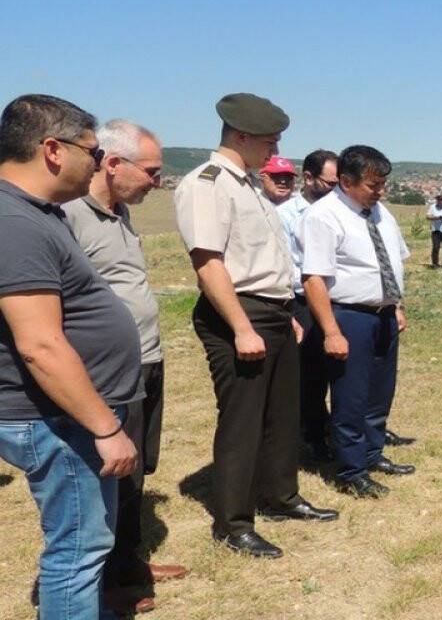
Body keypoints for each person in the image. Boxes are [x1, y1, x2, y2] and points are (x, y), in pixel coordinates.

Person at [173, 93, 337, 559]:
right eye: (269, 142)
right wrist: (242, 327)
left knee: (282, 415)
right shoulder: (207, 184)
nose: (275, 151)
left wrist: (285, 315)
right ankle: (234, 523)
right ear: (241, 136)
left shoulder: (246, 184)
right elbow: (208, 264)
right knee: (243, 421)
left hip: (274, 313)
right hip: (239, 313)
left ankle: (280, 496)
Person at [0, 94, 140, 619]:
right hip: (59, 419)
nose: (100, 163)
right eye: (93, 151)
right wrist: (105, 427)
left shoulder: (37, 213)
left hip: (68, 415)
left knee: (86, 545)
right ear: (53, 150)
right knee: (78, 551)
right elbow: (40, 345)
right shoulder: (14, 223)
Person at [62, 119, 190, 612]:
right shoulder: (69, 214)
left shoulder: (119, 212)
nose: (157, 182)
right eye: (152, 172)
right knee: (105, 475)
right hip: (104, 370)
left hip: (145, 360)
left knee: (135, 470)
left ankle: (127, 563)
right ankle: (98, 585)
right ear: (113, 164)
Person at [301, 145, 412, 498]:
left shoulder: (380, 212)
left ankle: (372, 454)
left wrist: (395, 305)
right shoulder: (323, 216)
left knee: (379, 392)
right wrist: (331, 331)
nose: (381, 192)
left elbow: (392, 260)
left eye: (383, 184)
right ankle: (351, 470)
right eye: (373, 185)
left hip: (384, 315)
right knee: (351, 396)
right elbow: (313, 279)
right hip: (349, 316)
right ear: (346, 182)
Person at [277, 149, 339, 461]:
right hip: (303, 300)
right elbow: (286, 263)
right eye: (330, 183)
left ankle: (338, 428)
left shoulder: (339, 211)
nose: (335, 189)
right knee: (311, 372)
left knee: (338, 369)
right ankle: (313, 435)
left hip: (336, 298)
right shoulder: (286, 215)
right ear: (309, 178)